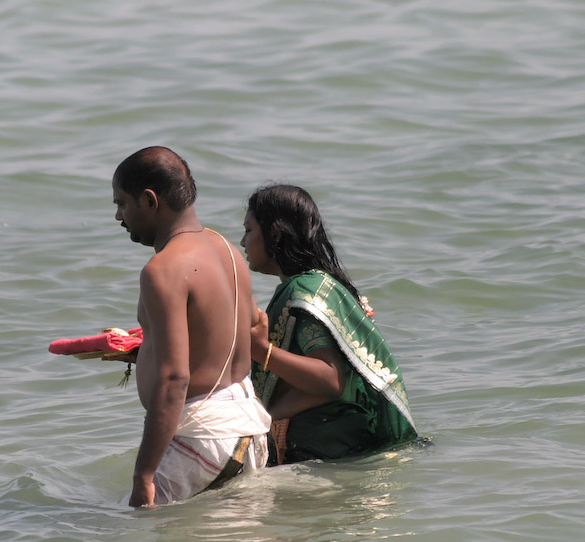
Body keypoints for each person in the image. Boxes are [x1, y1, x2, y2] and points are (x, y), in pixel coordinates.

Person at [111, 146, 271, 507]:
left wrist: (144, 475)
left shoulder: (163, 269)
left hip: (203, 435)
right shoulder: (227, 250)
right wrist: (145, 351)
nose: (119, 215)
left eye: (122, 203)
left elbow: (174, 378)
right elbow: (252, 324)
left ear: (150, 201)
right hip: (248, 425)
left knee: (141, 534)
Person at [240, 184, 417, 465]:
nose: (242, 242)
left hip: (331, 456)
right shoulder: (321, 285)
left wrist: (262, 352)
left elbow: (330, 379)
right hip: (343, 453)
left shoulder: (305, 293)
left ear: (274, 233)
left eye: (248, 230)